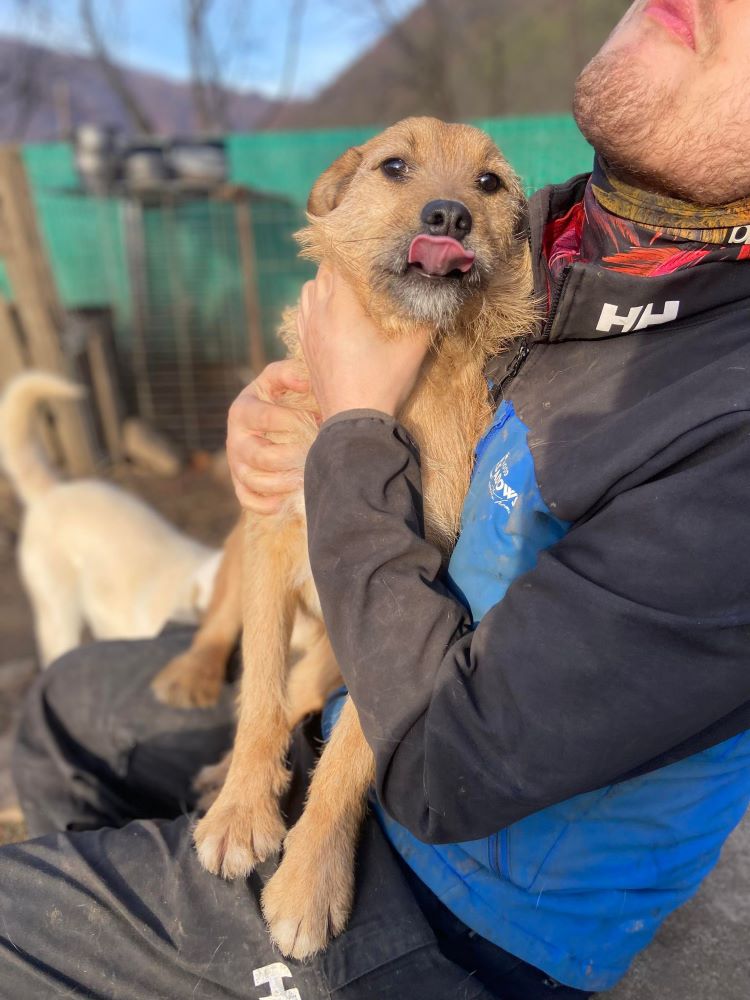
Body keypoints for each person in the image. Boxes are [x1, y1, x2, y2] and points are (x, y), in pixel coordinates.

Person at [2, 1, 750, 996]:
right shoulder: (554, 244)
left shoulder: (720, 401)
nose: (449, 209)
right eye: (403, 172)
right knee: (63, 698)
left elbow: (455, 754)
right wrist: (282, 425)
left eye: (484, 186)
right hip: (355, 672)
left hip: (468, 896)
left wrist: (352, 432)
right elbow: (290, 521)